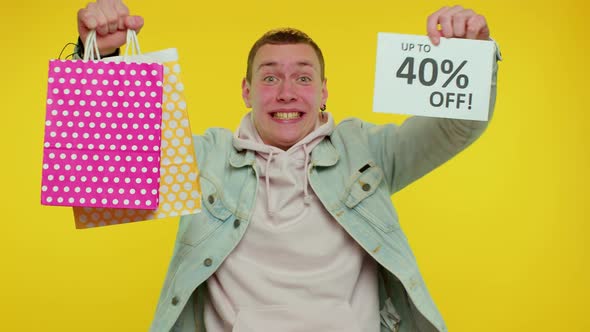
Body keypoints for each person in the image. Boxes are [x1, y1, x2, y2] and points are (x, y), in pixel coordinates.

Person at [75, 1, 500, 331]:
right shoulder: (207, 157)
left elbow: (456, 127)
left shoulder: (365, 150)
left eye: (302, 77)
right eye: (269, 77)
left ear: (323, 91)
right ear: (246, 91)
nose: (286, 92)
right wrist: (103, 56)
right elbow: (115, 161)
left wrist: (475, 53)